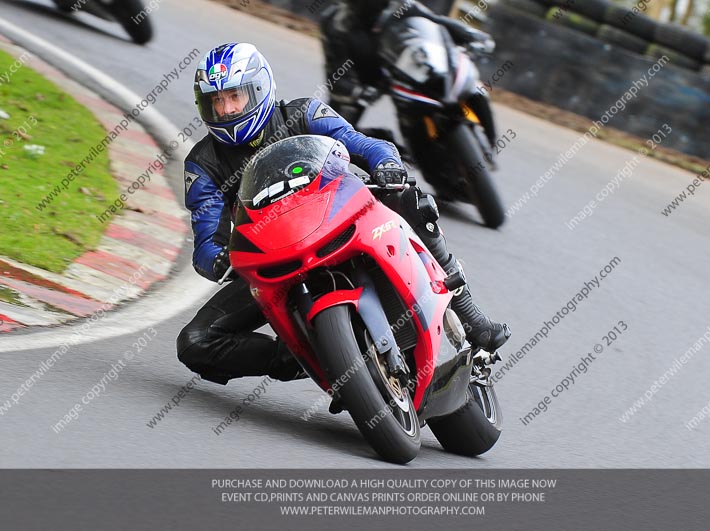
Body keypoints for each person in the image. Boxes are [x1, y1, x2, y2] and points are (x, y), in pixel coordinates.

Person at [177, 43, 510, 387]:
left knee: (410, 197)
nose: (227, 110)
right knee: (195, 341)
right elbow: (205, 238)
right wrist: (218, 261)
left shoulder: (304, 113)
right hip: (276, 259)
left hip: (342, 221)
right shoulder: (202, 164)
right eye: (216, 101)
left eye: (234, 97)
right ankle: (303, 356)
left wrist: (386, 164)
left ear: (259, 89)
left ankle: (471, 317)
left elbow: (360, 143)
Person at [320, 0, 497, 146]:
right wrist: (352, 90)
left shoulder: (399, 7)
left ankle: (489, 139)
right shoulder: (336, 23)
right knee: (332, 136)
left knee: (470, 86)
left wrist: (470, 35)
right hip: (361, 85)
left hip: (402, 78)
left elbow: (436, 21)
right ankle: (382, 151)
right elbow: (334, 69)